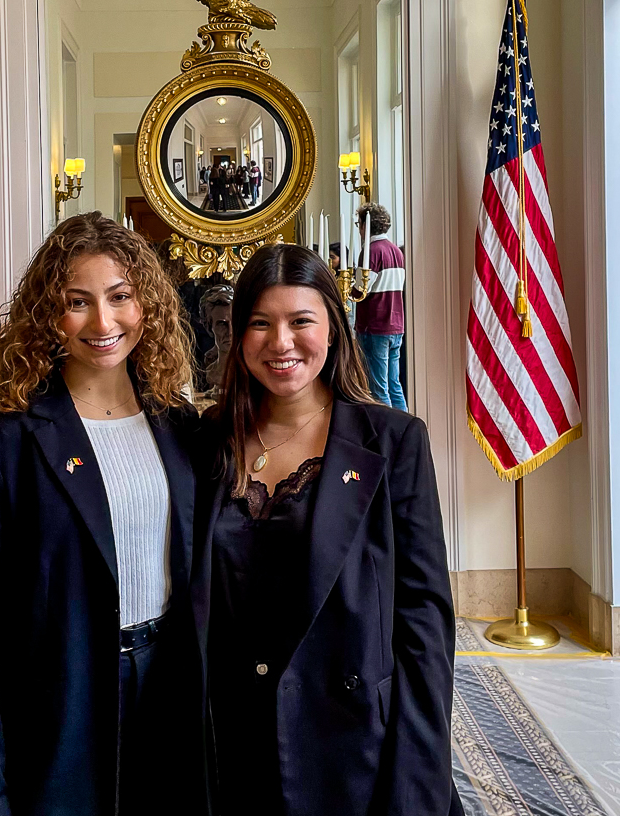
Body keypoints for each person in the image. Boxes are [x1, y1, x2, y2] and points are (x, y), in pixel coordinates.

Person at [0, 211, 205, 816]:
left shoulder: (181, 428)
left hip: (170, 687)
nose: (103, 322)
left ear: (148, 305)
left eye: (120, 297)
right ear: (46, 315)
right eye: (77, 301)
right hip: (60, 696)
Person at [193, 243, 461, 816]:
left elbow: (424, 623)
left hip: (353, 745)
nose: (281, 342)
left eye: (301, 321)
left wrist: (419, 773)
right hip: (234, 742)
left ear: (335, 330)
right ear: (239, 337)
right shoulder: (207, 440)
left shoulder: (393, 443)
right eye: (261, 323)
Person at [354, 202, 407, 409]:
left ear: (365, 226)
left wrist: (345, 288)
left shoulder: (371, 251)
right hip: (396, 325)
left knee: (378, 388)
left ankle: (386, 435)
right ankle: (404, 429)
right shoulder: (396, 251)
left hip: (374, 326)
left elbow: (361, 290)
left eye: (359, 224)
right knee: (394, 385)